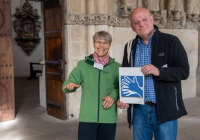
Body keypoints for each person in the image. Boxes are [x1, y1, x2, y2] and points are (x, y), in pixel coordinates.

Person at [117, 7, 189, 140]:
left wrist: (159, 71)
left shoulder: (171, 41)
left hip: (165, 109)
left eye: (144, 19)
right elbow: (125, 78)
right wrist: (123, 98)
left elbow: (184, 71)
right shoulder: (129, 47)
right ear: (132, 26)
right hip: (139, 111)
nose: (141, 24)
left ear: (152, 19)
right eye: (136, 22)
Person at [62, 31, 121, 140]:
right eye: (98, 42)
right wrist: (70, 85)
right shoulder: (83, 65)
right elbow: (67, 85)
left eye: (105, 43)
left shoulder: (117, 67)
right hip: (87, 117)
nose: (101, 46)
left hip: (108, 117)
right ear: (94, 43)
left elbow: (122, 87)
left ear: (109, 45)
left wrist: (113, 95)